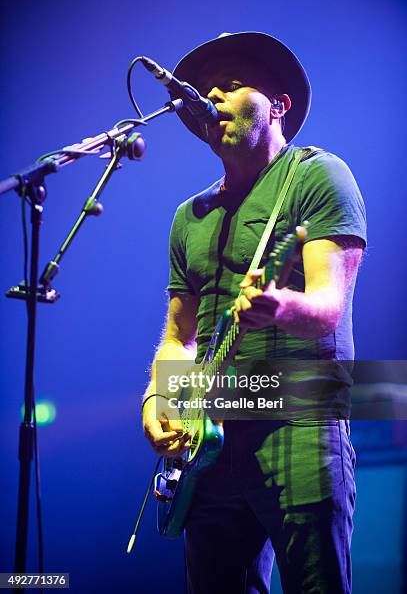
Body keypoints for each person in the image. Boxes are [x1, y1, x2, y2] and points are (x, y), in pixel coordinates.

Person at [142, 32, 367, 594]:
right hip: (210, 437)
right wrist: (159, 399)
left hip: (299, 420)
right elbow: (179, 337)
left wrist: (279, 306)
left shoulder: (316, 176)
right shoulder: (189, 216)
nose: (213, 95)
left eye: (234, 84)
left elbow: (328, 307)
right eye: (206, 88)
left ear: (280, 105)